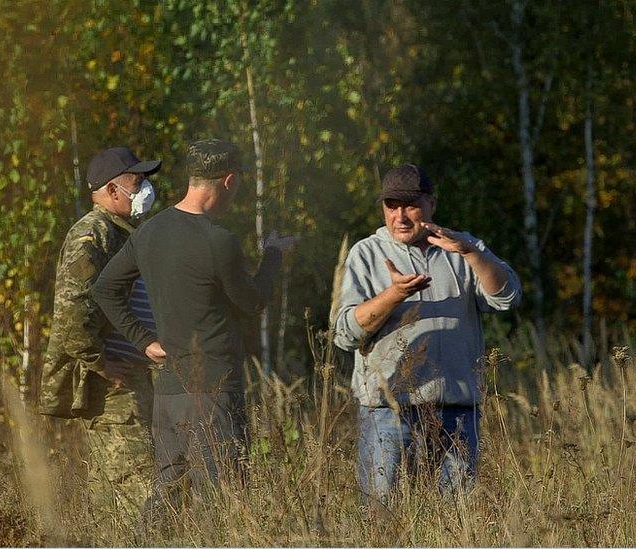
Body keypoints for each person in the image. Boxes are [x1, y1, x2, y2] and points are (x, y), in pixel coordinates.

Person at [93, 138, 297, 495]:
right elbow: (251, 303)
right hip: (214, 391)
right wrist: (274, 258)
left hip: (169, 392)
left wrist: (144, 341)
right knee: (222, 499)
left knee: (166, 499)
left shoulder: (149, 231)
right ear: (229, 181)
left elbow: (105, 289)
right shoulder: (218, 240)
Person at [333, 164, 522, 503]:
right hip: (387, 411)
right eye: (392, 205)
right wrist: (393, 296)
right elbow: (345, 333)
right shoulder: (366, 253)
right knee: (382, 519)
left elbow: (507, 297)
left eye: (411, 205)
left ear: (432, 204)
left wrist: (470, 253)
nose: (400, 216)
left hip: (457, 411)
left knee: (454, 522)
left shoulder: (463, 248)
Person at [38, 146, 162, 523]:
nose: (145, 191)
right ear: (112, 191)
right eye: (137, 183)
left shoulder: (119, 233)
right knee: (136, 494)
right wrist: (103, 364)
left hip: (127, 381)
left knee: (115, 500)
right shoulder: (92, 235)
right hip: (113, 389)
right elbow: (71, 315)